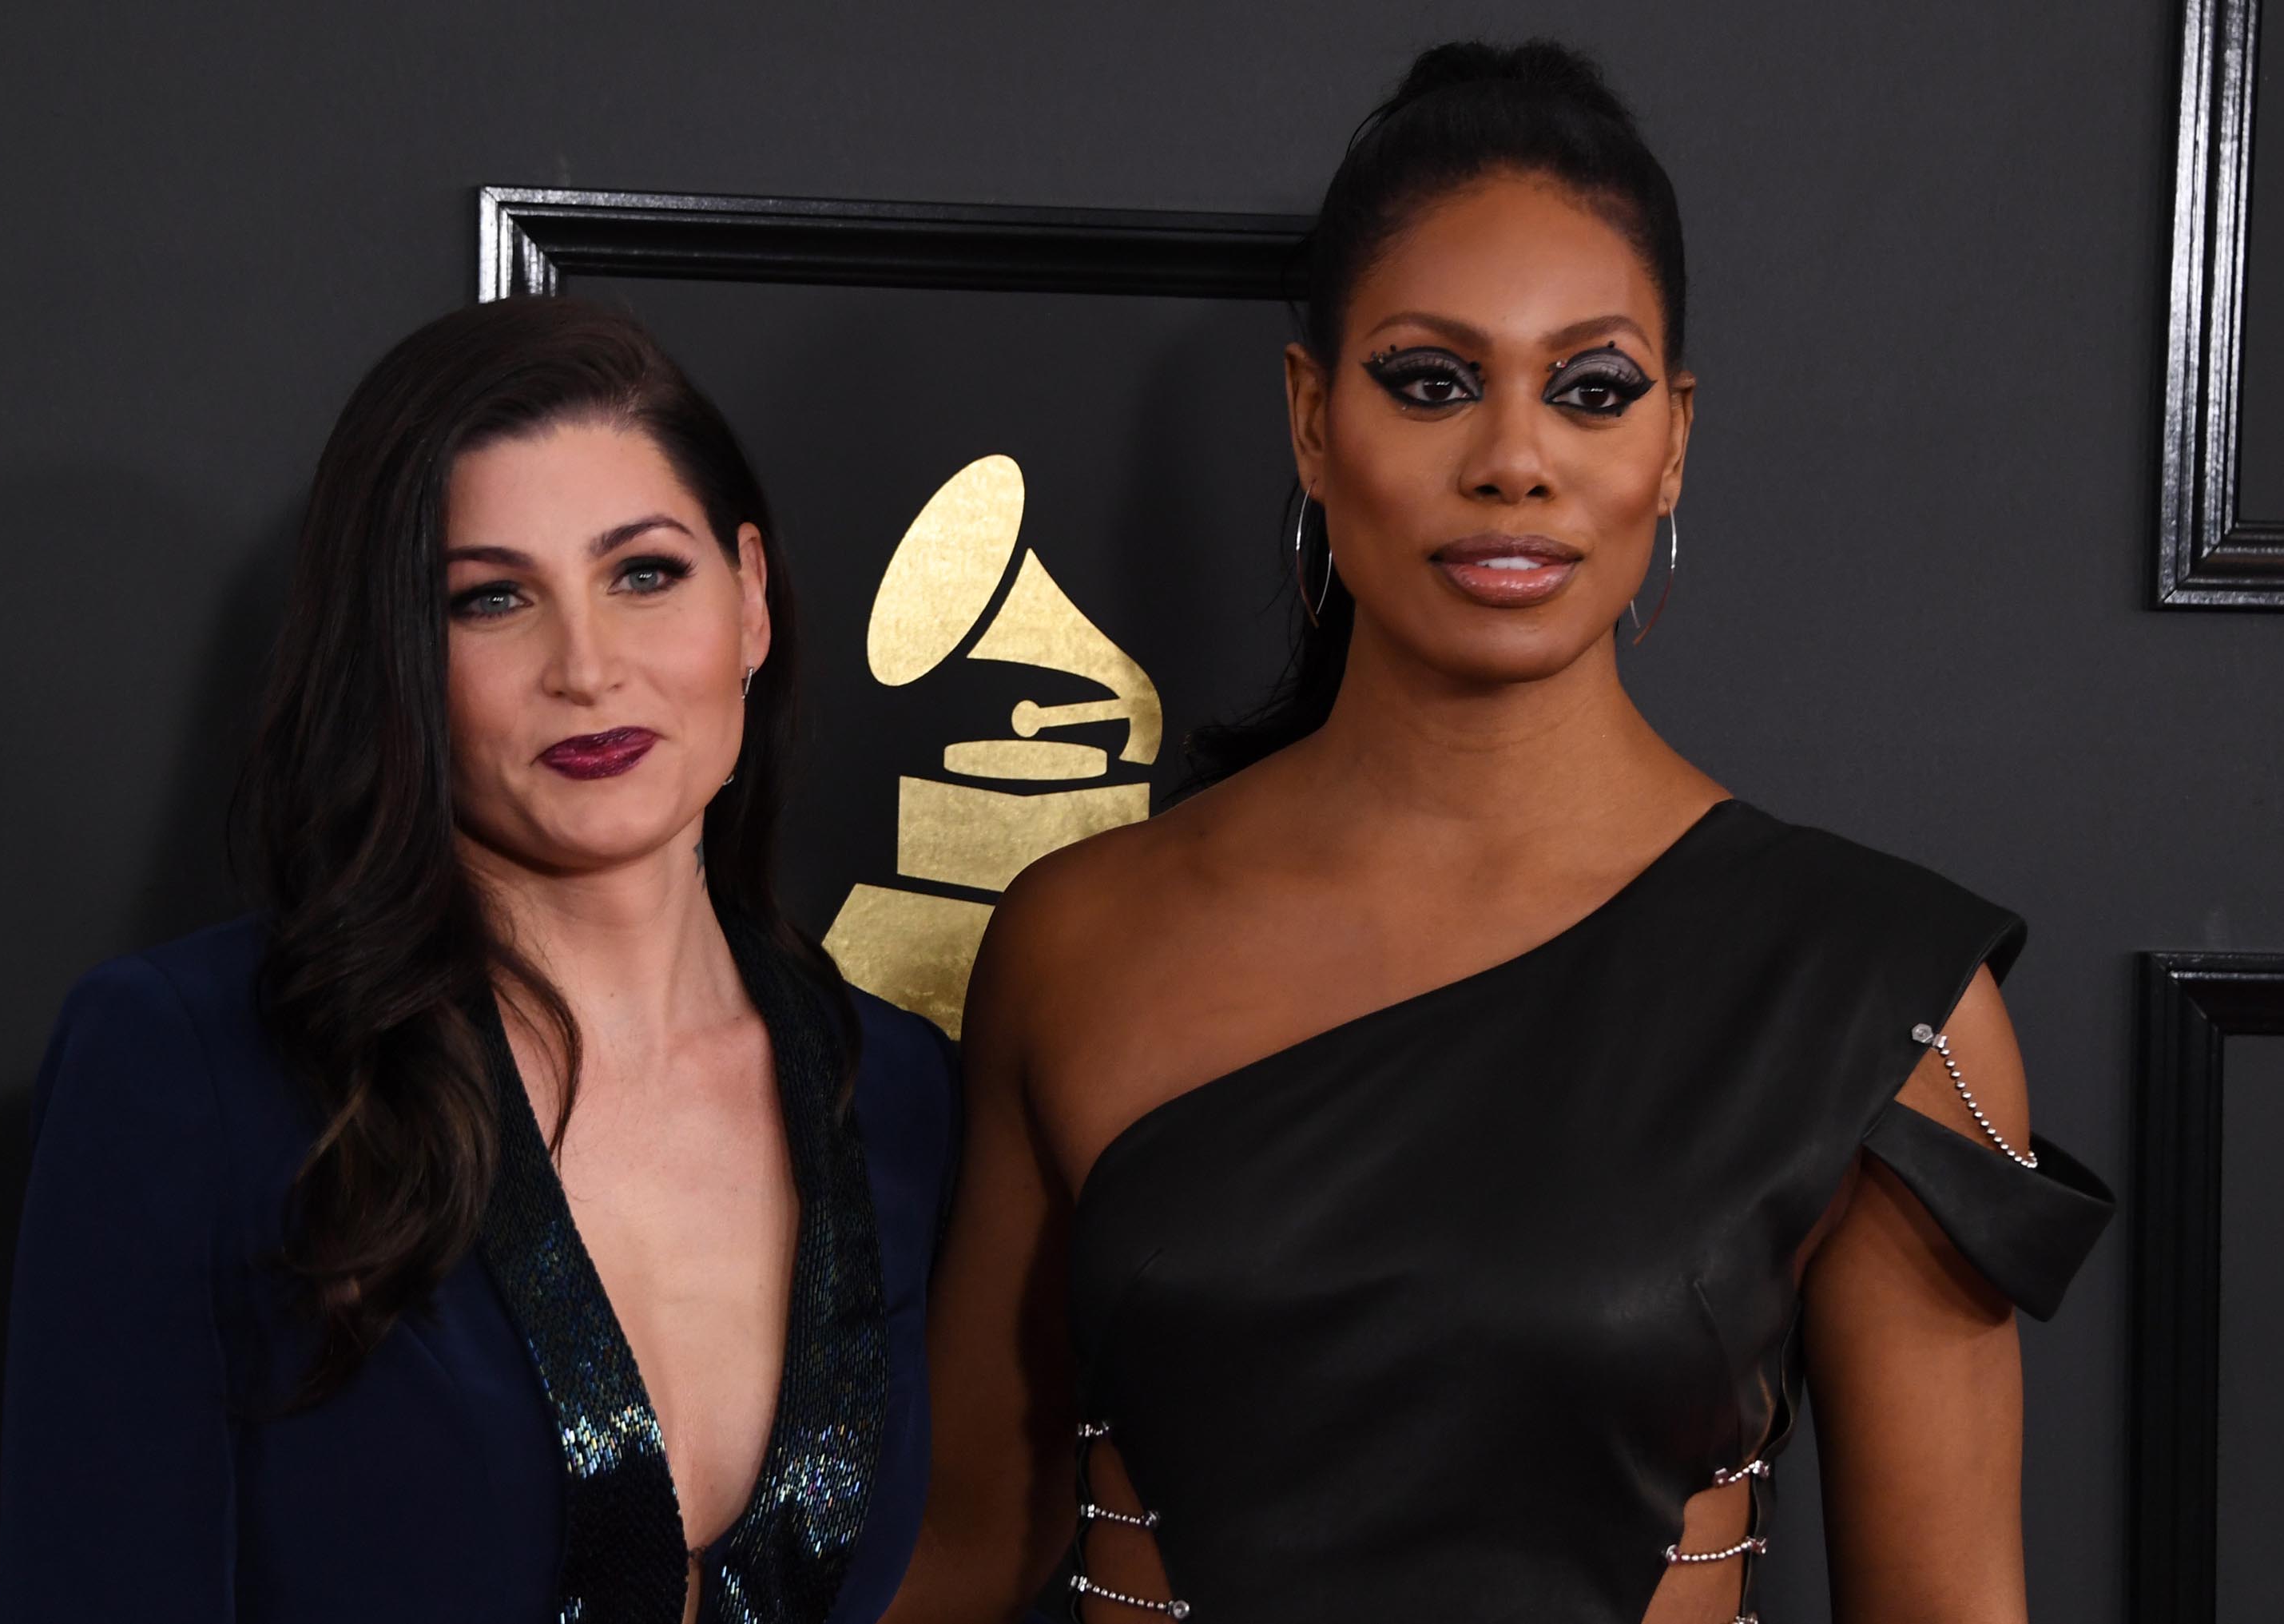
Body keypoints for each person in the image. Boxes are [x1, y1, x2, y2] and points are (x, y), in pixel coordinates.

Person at [897, 40, 2111, 1624]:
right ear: (1313, 420)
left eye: (1591, 389)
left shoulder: (1876, 997)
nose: (1515, 460)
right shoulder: (1080, 939)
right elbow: (961, 1562)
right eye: (1430, 379)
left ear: (1670, 441)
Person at [0, 297, 958, 1624]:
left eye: (644, 573)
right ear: (399, 658)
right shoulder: (195, 1068)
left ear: (750, 598)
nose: (587, 665)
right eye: (493, 598)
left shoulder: (901, 1092)